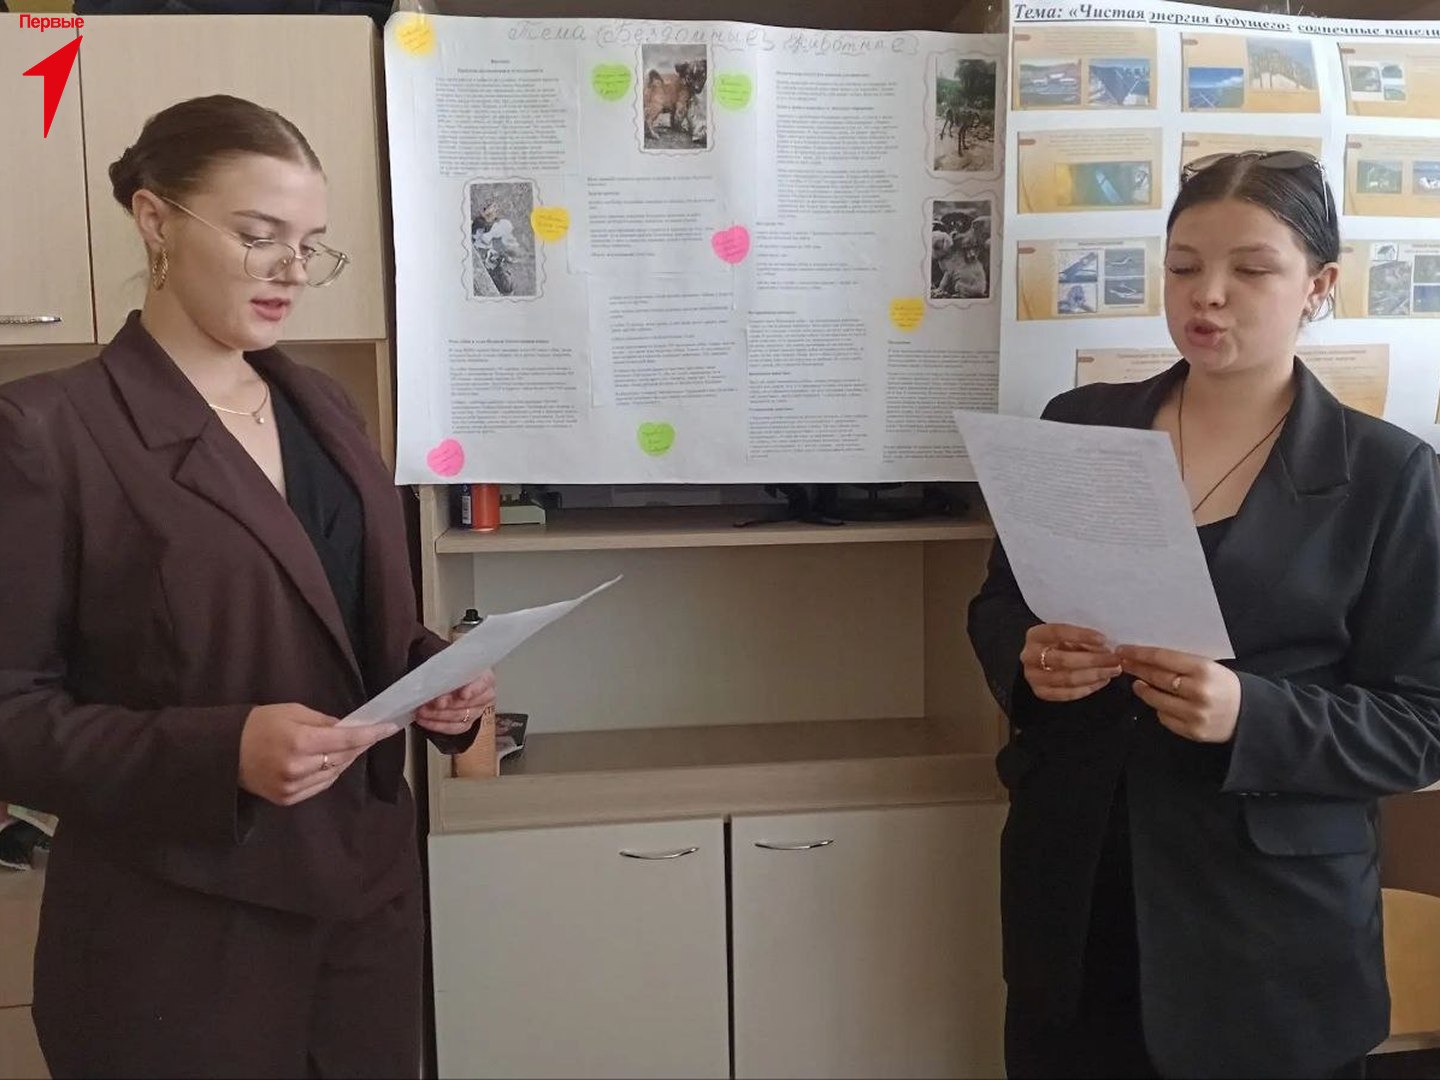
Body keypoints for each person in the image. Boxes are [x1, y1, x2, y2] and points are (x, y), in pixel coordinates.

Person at [0, 94, 496, 1079]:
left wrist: (432, 674)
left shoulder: (327, 408)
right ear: (155, 220)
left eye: (309, 245)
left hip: (364, 914)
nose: (292, 271)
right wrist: (220, 751)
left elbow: (345, 622)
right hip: (177, 943)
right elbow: (10, 712)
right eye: (259, 235)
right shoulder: (46, 433)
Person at [968, 150, 1440, 1079]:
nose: (1207, 295)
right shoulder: (1081, 424)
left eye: (1251, 269)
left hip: (1268, 937)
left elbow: (1423, 721)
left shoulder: (1388, 475)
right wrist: (1029, 656)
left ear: (1320, 286)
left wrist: (1249, 714)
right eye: (1183, 266)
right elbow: (1000, 602)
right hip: (1077, 901)